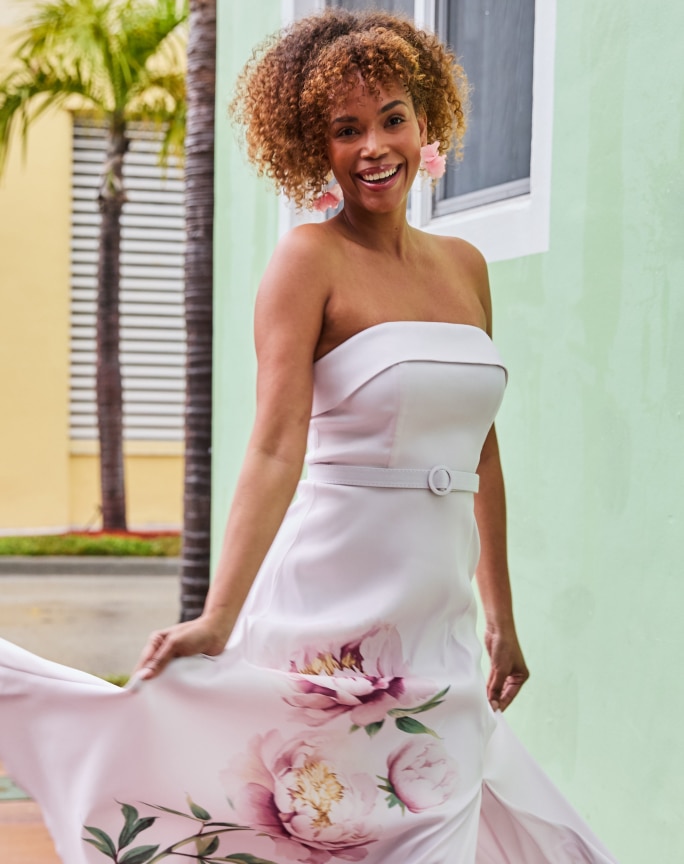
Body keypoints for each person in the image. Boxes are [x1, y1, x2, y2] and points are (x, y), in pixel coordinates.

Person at [0, 10, 619, 864]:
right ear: (311, 147)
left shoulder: (466, 267)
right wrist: (217, 618)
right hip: (331, 600)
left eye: (392, 117)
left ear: (426, 120)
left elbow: (480, 451)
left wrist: (502, 617)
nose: (375, 146)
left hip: (437, 613)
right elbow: (273, 446)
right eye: (345, 129)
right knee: (317, 826)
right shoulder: (307, 261)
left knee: (430, 819)